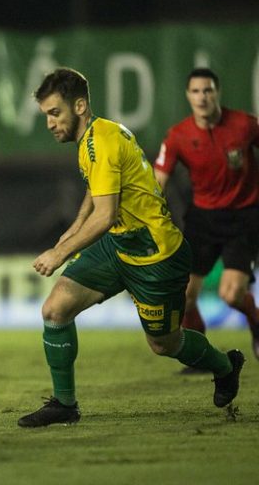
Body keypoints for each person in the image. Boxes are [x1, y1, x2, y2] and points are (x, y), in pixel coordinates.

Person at [18, 67, 244, 428]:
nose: (49, 122)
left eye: (54, 112)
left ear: (79, 106)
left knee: (164, 345)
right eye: (46, 114)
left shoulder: (102, 141)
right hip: (120, 246)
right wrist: (72, 232)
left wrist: (59, 254)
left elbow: (105, 215)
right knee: (55, 310)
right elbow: (97, 193)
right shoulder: (95, 136)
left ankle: (225, 365)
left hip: (156, 256)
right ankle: (64, 404)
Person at [154, 68, 259, 364]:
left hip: (243, 218)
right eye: (196, 91)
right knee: (184, 296)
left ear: (218, 93)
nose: (202, 97)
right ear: (188, 96)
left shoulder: (245, 125)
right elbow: (157, 180)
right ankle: (201, 357)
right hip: (203, 220)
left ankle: (256, 323)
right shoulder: (178, 136)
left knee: (231, 295)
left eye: (208, 90)